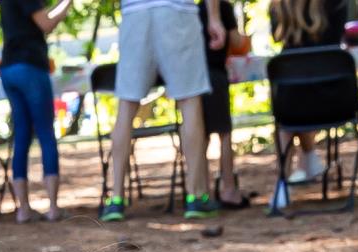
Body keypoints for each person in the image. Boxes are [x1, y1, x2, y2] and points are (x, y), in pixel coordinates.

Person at [98, 0, 222, 222]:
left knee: (126, 107)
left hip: (134, 14)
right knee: (190, 101)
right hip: (177, 12)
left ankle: (116, 199)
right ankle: (195, 196)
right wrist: (214, 18)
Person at [0, 0, 67, 220]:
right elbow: (46, 24)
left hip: (9, 68)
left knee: (22, 136)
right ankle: (53, 207)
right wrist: (67, 3)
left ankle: (23, 209)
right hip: (30, 65)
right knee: (46, 133)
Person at [270, 0, 343, 187]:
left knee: (287, 112)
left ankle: (282, 185)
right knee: (297, 100)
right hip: (335, 103)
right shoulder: (335, 5)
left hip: (291, 106)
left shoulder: (278, 8)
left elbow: (276, 36)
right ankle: (310, 160)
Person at [198, 0, 250, 206]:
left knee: (199, 135)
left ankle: (201, 189)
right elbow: (236, 42)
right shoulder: (223, 8)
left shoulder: (190, 9)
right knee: (224, 133)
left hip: (192, 77)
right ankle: (228, 188)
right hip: (215, 75)